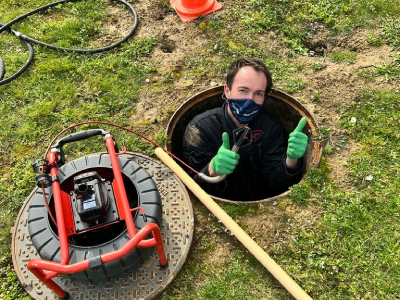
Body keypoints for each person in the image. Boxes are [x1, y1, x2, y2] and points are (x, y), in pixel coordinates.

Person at [182, 57, 308, 201]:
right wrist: (212, 170)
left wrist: (291, 160)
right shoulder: (200, 128)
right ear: (227, 91)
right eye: (243, 90)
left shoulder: (269, 128)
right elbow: (191, 187)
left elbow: (276, 184)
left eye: (258, 93)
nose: (250, 100)